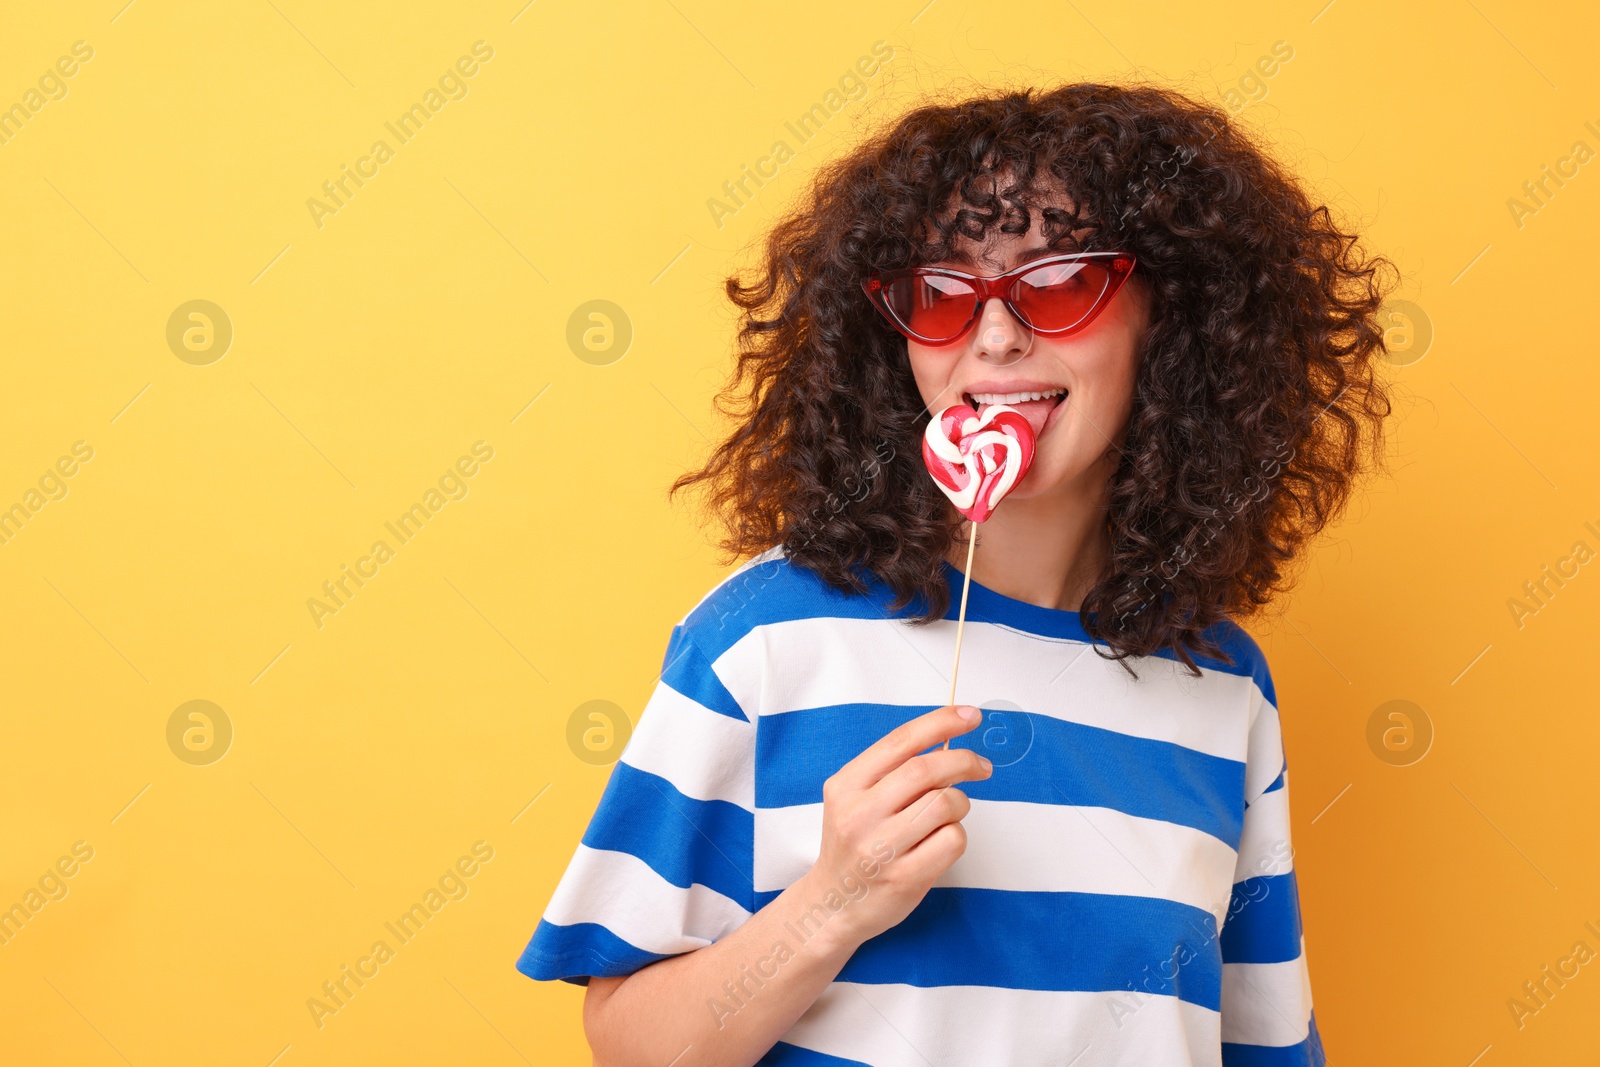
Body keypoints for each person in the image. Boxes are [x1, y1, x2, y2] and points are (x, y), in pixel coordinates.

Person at [515, 82, 1394, 1066]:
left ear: (1175, 316)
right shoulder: (764, 638)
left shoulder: (1221, 681)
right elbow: (629, 1047)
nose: (994, 335)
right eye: (939, 294)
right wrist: (830, 904)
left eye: (1058, 282)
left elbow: (1261, 1045)